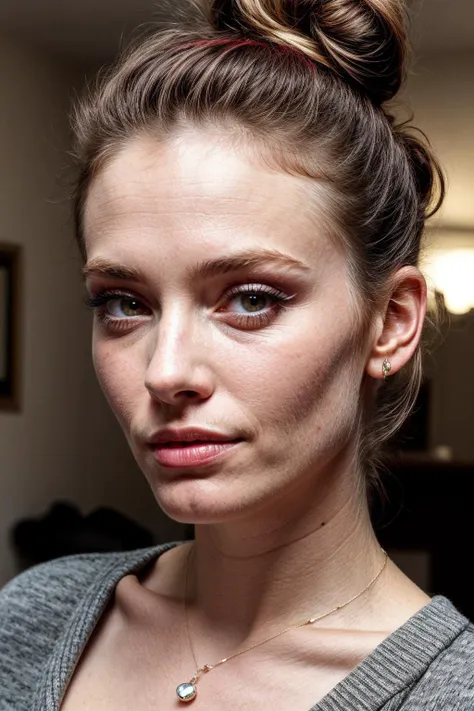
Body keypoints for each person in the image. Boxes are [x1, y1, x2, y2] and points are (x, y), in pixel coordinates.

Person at [2, 0, 474, 709]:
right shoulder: (33, 618)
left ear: (390, 323)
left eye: (251, 298)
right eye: (124, 302)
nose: (166, 373)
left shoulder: (449, 693)